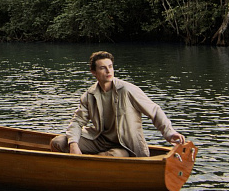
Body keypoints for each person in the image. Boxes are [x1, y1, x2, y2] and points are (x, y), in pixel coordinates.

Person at [51, 51, 185, 157]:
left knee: (112, 155)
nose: (108, 71)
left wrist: (169, 133)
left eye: (110, 67)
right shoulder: (89, 95)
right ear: (93, 72)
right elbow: (77, 121)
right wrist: (73, 144)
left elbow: (154, 111)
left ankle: (91, 166)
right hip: (100, 140)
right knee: (58, 142)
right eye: (103, 68)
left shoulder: (127, 90)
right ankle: (78, 167)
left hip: (125, 145)